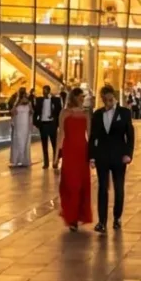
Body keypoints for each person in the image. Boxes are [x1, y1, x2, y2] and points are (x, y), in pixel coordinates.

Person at [88, 85, 135, 233]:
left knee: (119, 187)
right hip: (102, 156)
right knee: (102, 187)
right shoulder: (97, 114)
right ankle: (102, 221)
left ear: (114, 98)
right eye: (105, 100)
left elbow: (130, 135)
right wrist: (92, 156)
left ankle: (117, 217)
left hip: (119, 156)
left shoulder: (124, 113)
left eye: (109, 99)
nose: (107, 102)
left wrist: (128, 154)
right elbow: (93, 137)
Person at [57, 88, 93, 230]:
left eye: (83, 97)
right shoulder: (64, 113)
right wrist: (56, 156)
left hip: (82, 151)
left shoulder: (86, 113)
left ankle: (78, 216)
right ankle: (71, 217)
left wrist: (92, 154)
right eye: (79, 97)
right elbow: (61, 134)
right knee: (70, 184)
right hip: (69, 150)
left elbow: (89, 134)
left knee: (81, 185)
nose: (82, 99)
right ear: (73, 97)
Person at [32, 85, 62, 169]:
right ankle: (46, 163)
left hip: (52, 124)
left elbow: (59, 112)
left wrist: (57, 123)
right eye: (43, 91)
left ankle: (55, 162)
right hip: (43, 124)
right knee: (44, 145)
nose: (44, 92)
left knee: (54, 144)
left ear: (49, 91)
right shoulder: (39, 100)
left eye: (45, 91)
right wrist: (36, 123)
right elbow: (36, 112)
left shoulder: (56, 100)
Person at [9, 89, 33, 169]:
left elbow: (31, 112)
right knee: (18, 141)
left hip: (25, 125)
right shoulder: (17, 103)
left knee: (23, 141)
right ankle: (18, 160)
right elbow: (13, 112)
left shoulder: (28, 103)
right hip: (19, 125)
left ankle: (23, 160)